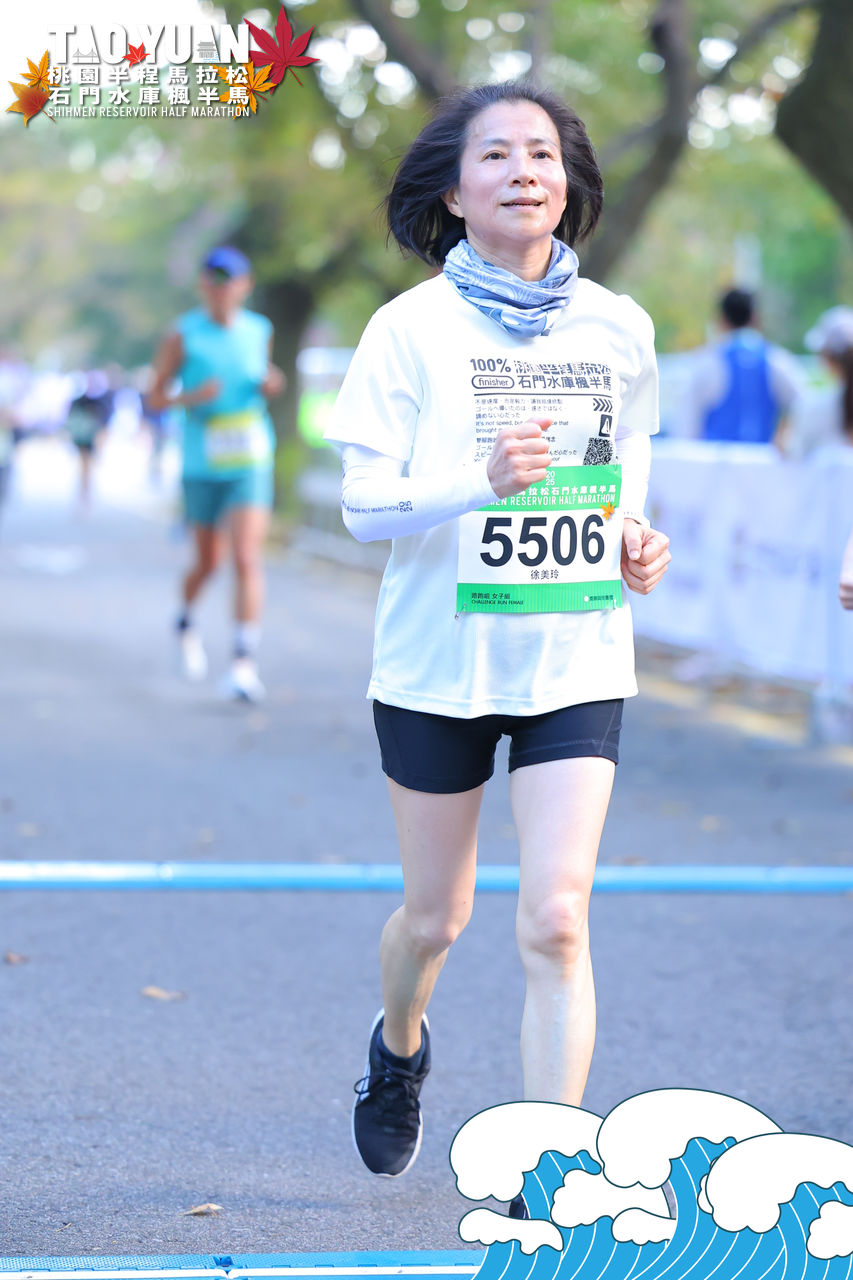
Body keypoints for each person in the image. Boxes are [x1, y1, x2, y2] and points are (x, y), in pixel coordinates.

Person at [325, 81, 670, 1198]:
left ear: (567, 184)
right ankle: (399, 1046)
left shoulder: (617, 325)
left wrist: (631, 536)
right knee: (436, 919)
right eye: (496, 155)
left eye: (542, 153)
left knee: (558, 920)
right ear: (453, 192)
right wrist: (478, 479)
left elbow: (626, 463)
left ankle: (548, 1171)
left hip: (575, 654)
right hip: (439, 662)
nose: (524, 169)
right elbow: (362, 505)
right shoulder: (408, 329)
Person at [148, 247, 285, 700]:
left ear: (245, 286)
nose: (221, 289)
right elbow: (154, 397)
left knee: (246, 557)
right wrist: (192, 398)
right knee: (209, 562)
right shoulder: (182, 334)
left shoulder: (259, 330)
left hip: (249, 458)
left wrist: (273, 383)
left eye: (230, 281)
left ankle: (243, 663)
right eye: (213, 280)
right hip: (201, 462)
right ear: (202, 285)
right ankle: (185, 619)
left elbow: (265, 380)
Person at [687, 288, 801, 444]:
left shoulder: (707, 363)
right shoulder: (777, 360)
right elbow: (805, 406)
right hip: (764, 457)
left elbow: (686, 428)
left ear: (722, 320)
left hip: (716, 458)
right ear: (755, 318)